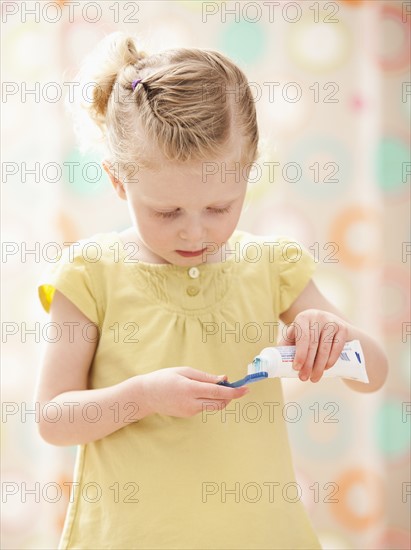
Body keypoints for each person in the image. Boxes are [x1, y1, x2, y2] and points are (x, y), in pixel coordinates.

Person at [35, 32, 388, 550]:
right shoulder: (91, 274)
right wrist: (144, 396)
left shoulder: (271, 267)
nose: (195, 233)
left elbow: (373, 373)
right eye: (167, 212)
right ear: (117, 181)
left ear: (248, 173)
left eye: (220, 207)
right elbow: (52, 419)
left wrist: (334, 335)